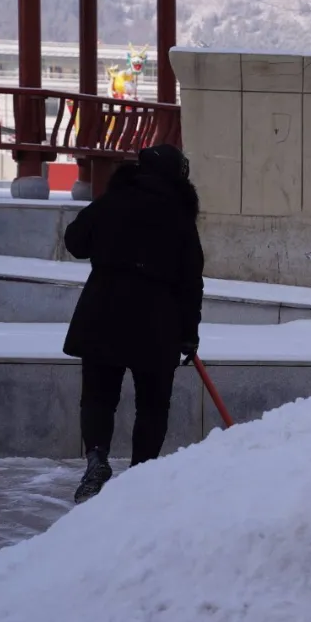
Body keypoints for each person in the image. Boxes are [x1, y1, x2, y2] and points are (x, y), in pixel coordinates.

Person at [63, 144, 205, 504]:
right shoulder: (179, 217)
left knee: (98, 397)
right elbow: (191, 282)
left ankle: (96, 459)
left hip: (103, 311)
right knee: (153, 405)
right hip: (157, 321)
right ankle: (143, 474)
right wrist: (189, 335)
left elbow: (75, 242)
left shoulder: (112, 201)